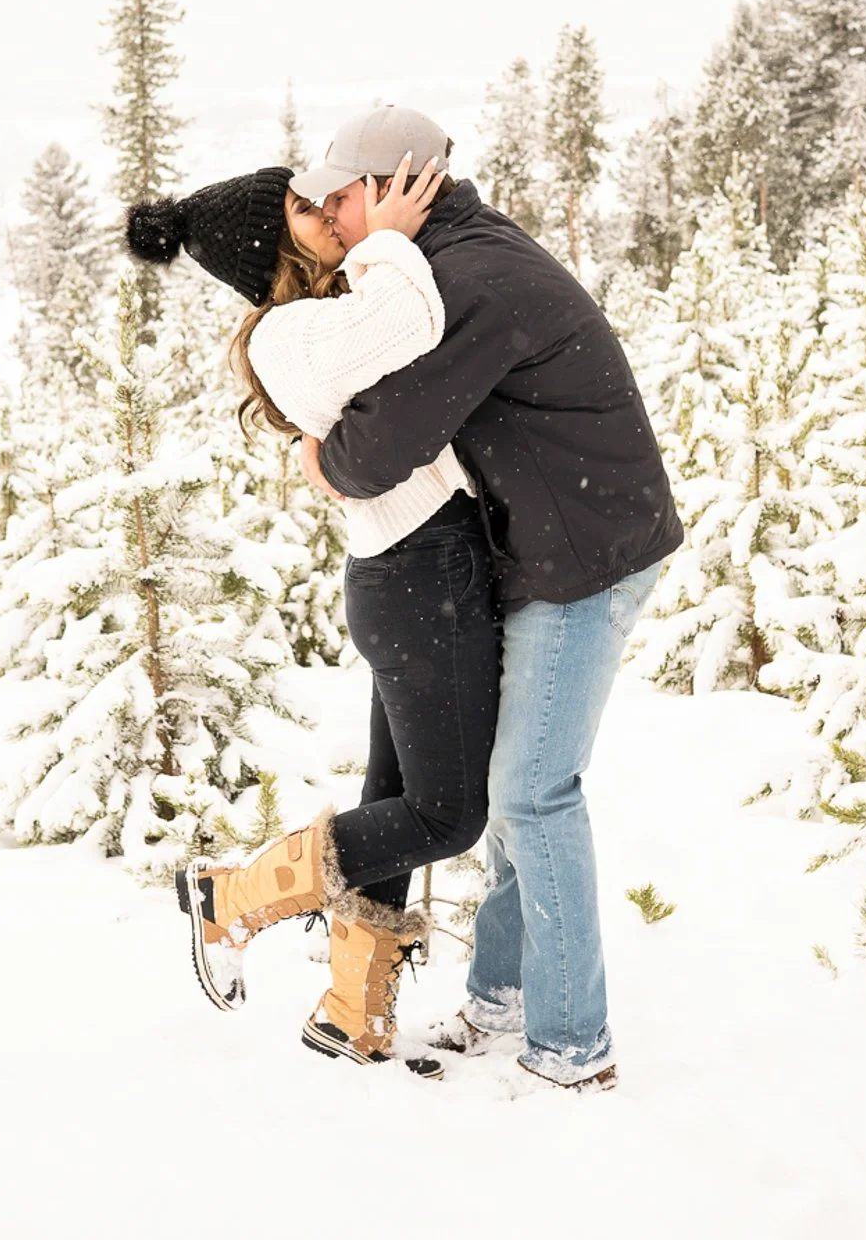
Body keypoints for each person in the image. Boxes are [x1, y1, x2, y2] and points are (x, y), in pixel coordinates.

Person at [292, 106, 682, 1091]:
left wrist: (321, 457)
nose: (333, 219)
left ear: (390, 188)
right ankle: (504, 1001)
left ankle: (572, 1048)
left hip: (584, 556)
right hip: (548, 543)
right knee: (514, 790)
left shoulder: (469, 283)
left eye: (342, 197)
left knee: (531, 793)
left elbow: (376, 450)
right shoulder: (454, 258)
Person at [125, 154, 495, 1080]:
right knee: (448, 815)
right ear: (268, 243)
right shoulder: (286, 334)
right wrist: (389, 235)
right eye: (301, 207)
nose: (328, 211)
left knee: (398, 803)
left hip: (417, 572)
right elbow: (411, 314)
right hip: (419, 576)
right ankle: (232, 895)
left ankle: (351, 1012)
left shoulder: (320, 317)